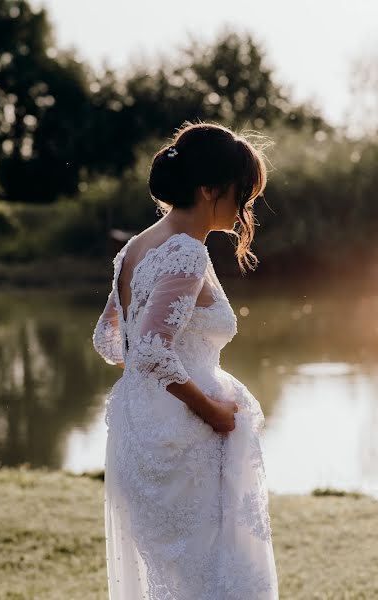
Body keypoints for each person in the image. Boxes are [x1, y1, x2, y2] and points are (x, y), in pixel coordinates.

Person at [92, 121, 278, 599]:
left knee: (180, 579)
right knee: (204, 579)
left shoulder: (138, 245)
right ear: (209, 188)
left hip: (141, 427)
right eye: (242, 194)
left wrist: (150, 389)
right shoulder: (186, 253)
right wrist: (212, 408)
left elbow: (113, 341)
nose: (244, 209)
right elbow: (152, 349)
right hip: (184, 435)